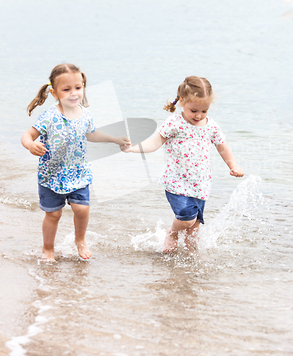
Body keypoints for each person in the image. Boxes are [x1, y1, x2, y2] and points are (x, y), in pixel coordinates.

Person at [21, 63, 129, 262]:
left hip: (78, 173)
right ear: (54, 93)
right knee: (53, 215)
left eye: (78, 88)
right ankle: (48, 249)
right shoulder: (50, 116)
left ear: (83, 87)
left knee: (82, 209)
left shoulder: (85, 113)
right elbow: (27, 135)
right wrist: (30, 145)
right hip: (51, 175)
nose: (74, 93)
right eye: (66, 89)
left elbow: (92, 134)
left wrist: (114, 139)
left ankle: (80, 240)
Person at [123, 76, 244, 252]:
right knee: (186, 219)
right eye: (194, 110)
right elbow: (155, 143)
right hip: (176, 182)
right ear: (181, 101)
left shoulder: (212, 127)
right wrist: (133, 148)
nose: (199, 115)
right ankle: (171, 232)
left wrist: (233, 166)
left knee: (193, 230)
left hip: (200, 184)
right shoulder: (174, 123)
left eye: (204, 111)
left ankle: (190, 267)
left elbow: (223, 148)